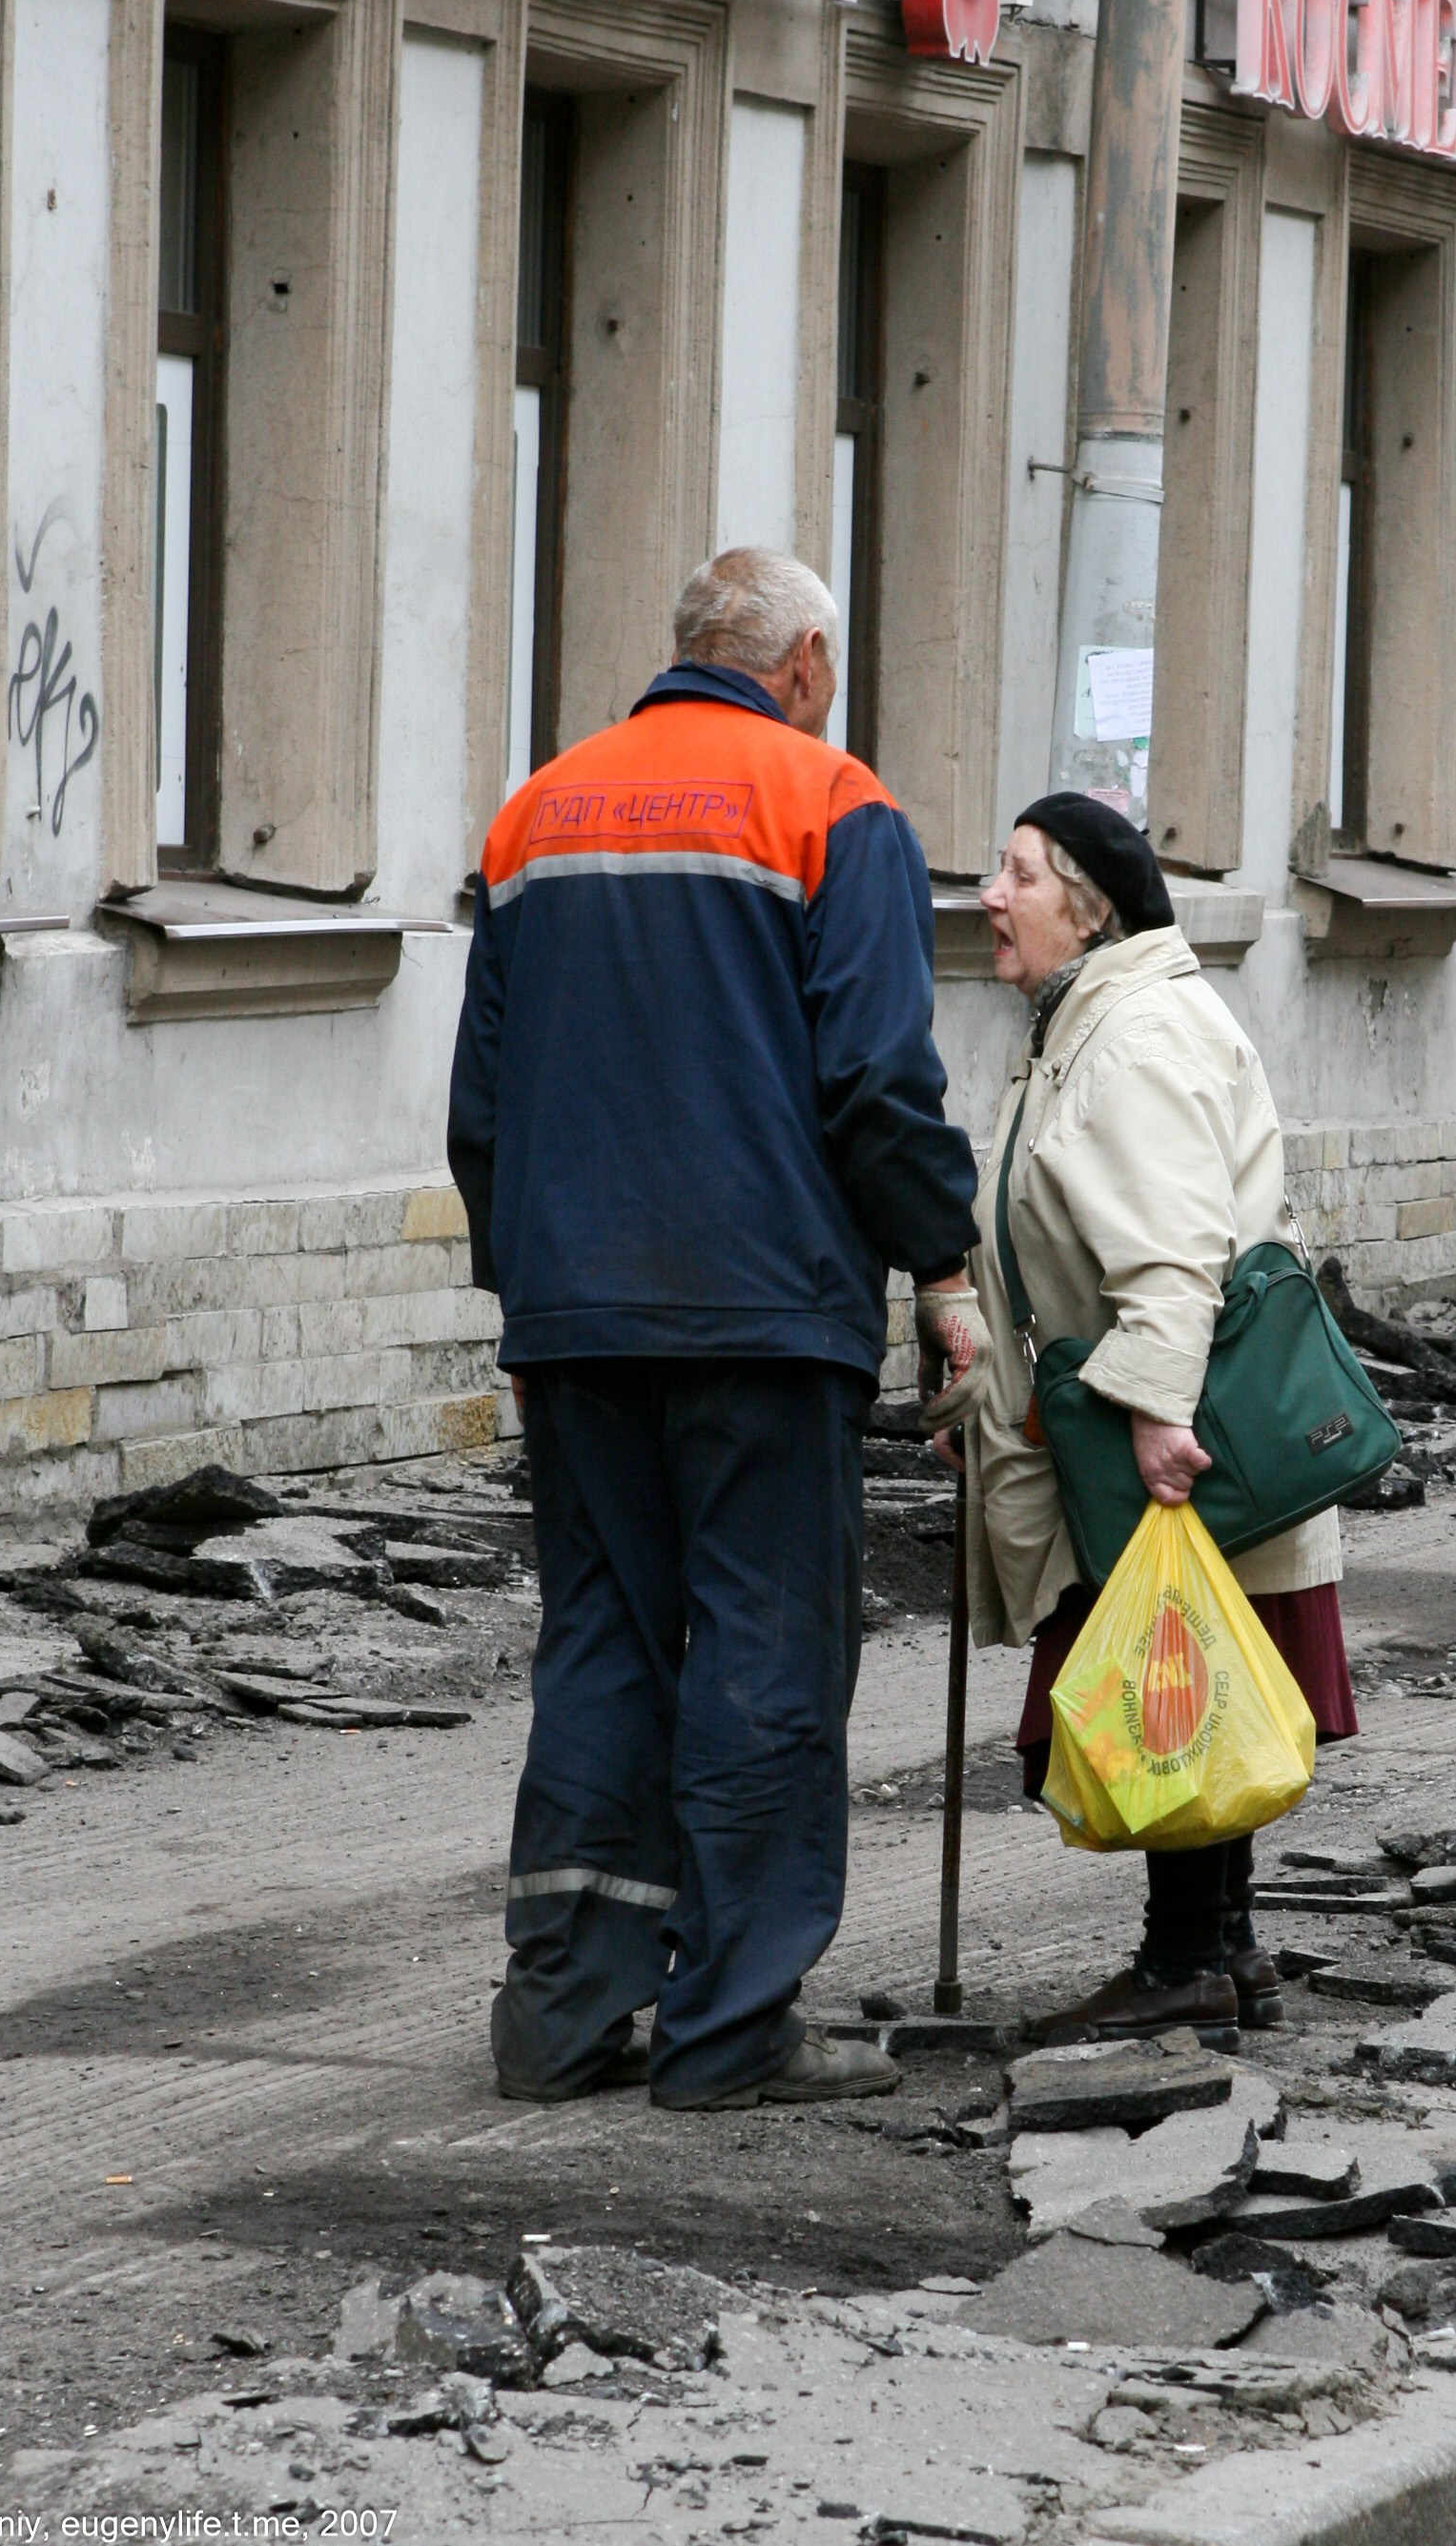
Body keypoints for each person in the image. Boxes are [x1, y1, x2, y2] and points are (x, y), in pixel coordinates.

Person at [448, 547, 986, 2110]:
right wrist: (939, 1269)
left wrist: (534, 1283)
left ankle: (559, 2016)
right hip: (762, 1313)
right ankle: (730, 2031)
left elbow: (481, 1102)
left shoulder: (537, 809)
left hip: (578, 1313)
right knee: (763, 1643)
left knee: (606, 1640)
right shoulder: (827, 800)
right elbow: (878, 1078)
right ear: (803, 659)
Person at [939, 794, 1357, 2046]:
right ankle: (1225, 1948)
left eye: (1014, 873)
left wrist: (1154, 1419)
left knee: (1174, 1667)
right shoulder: (1094, 1017)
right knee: (1206, 1661)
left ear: (1091, 907)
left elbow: (1173, 1256)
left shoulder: (1127, 1036)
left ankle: (1180, 1960)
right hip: (1151, 1406)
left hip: (1162, 1422)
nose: (987, 896)